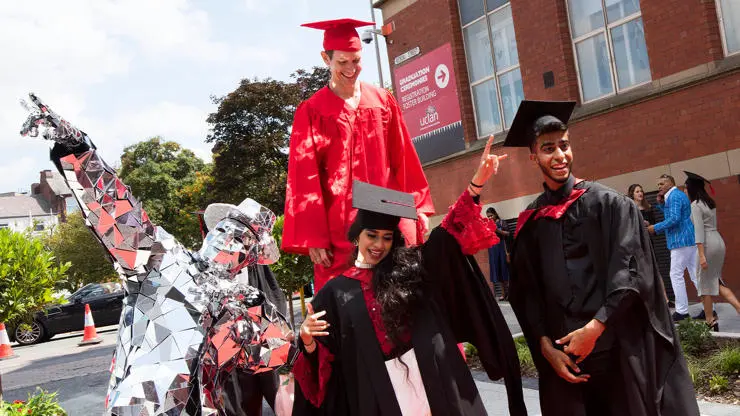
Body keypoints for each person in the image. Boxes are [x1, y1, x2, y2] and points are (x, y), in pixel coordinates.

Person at [19, 94, 295, 416]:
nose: (230, 243)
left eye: (243, 242)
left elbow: (280, 354)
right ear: (209, 234)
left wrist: (259, 319)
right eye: (226, 231)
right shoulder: (164, 263)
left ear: (247, 259)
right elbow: (117, 213)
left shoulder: (240, 306)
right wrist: (75, 148)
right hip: (140, 408)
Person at [291, 137, 527, 415]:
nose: (379, 245)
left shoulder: (412, 268)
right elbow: (325, 364)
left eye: (387, 237)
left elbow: (448, 233)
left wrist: (477, 182)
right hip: (378, 396)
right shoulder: (336, 293)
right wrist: (306, 340)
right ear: (356, 237)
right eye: (372, 236)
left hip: (434, 379)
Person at [505, 100, 699, 416]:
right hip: (562, 364)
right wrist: (544, 346)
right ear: (533, 157)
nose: (559, 155)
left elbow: (631, 272)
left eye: (564, 146)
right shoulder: (531, 222)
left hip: (614, 354)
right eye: (548, 148)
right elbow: (527, 292)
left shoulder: (609, 205)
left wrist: (594, 329)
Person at [282, 18, 434, 293]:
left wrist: (418, 206)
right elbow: (304, 176)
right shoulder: (312, 111)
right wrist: (314, 237)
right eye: (342, 62)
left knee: (403, 291)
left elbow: (404, 157)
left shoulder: (382, 101)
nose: (351, 69)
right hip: (340, 228)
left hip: (389, 214)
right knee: (345, 302)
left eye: (356, 60)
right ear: (325, 59)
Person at [685, 171, 740, 329]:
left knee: (704, 286)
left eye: (686, 188)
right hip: (718, 241)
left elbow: (699, 232)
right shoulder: (710, 203)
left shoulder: (695, 205)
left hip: (707, 244)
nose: (685, 190)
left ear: (691, 189)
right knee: (716, 281)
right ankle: (737, 307)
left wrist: (701, 255)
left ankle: (710, 321)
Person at [648, 174, 698, 321]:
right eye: (658, 185)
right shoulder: (677, 195)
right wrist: (662, 205)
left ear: (671, 183)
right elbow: (674, 215)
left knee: (675, 275)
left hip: (679, 241)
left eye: (662, 184)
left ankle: (682, 311)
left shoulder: (674, 196)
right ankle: (710, 308)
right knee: (696, 276)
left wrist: (655, 227)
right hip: (689, 240)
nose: (659, 187)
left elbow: (674, 219)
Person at [486, 207, 510, 301]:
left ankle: (509, 293)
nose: (490, 218)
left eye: (491, 215)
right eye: (488, 217)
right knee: (497, 272)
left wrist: (497, 230)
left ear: (495, 214)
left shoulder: (501, 222)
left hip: (501, 250)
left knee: (505, 271)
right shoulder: (487, 225)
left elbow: (508, 233)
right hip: (493, 251)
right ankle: (503, 294)